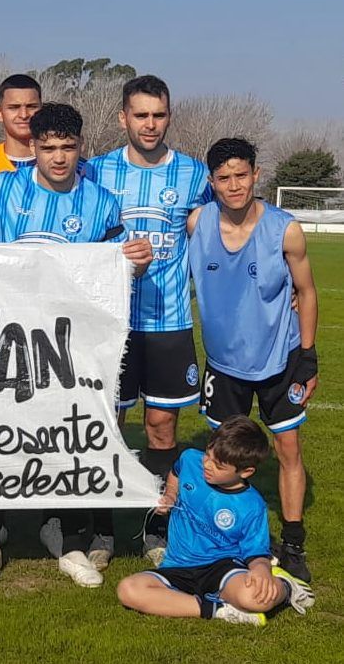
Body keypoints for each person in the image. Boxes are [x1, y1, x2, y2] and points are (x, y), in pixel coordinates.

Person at [0, 103, 153, 587]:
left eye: (68, 147)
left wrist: (138, 261)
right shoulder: (3, 187)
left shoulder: (101, 202)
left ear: (81, 147)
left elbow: (120, 266)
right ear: (34, 147)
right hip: (7, 337)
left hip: (70, 345)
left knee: (69, 438)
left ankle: (69, 542)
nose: (59, 157)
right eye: (48, 148)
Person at [83, 75, 210, 569]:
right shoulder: (96, 171)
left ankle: (156, 527)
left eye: (158, 115)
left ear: (169, 116)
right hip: (109, 323)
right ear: (123, 118)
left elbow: (228, 230)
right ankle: (101, 531)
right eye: (141, 115)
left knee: (160, 429)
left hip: (168, 323)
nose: (150, 124)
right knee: (105, 426)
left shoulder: (193, 174)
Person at [187, 137, 318, 582]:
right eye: (224, 178)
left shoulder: (285, 229)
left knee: (288, 448)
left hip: (280, 359)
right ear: (212, 182)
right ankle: (222, 538)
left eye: (241, 175)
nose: (234, 185)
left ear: (256, 174)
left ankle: (293, 544)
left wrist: (308, 357)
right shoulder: (198, 222)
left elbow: (307, 292)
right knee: (222, 453)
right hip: (223, 363)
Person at [115, 416, 314, 625]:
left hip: (222, 568)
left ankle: (287, 587)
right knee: (128, 590)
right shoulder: (190, 459)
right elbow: (176, 473)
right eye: (208, 455)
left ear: (245, 471)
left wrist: (261, 570)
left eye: (218, 465)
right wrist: (171, 495)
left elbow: (256, 552)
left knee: (254, 598)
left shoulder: (252, 505)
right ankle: (218, 610)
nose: (207, 465)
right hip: (176, 565)